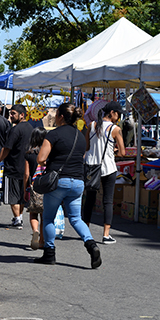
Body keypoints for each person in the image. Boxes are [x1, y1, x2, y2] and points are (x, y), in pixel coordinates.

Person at [35, 103, 101, 268]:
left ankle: (49, 253)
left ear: (61, 116)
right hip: (78, 181)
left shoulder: (54, 134)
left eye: (56, 114)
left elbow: (41, 159)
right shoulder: (80, 135)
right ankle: (91, 244)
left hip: (59, 181)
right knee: (76, 218)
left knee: (49, 217)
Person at [83, 101, 126, 244]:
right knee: (107, 200)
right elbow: (123, 152)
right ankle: (106, 234)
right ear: (112, 113)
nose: (118, 117)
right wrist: (112, 151)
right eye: (118, 114)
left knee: (89, 199)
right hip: (108, 167)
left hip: (91, 166)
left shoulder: (92, 125)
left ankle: (85, 231)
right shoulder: (115, 129)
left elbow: (87, 146)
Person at [0, 104, 33, 228]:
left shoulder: (15, 129)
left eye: (13, 113)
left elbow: (6, 148)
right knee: (22, 195)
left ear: (22, 115)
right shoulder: (31, 128)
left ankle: (17, 219)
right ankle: (18, 218)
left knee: (13, 196)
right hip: (26, 167)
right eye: (10, 113)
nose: (11, 116)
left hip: (13, 167)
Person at [24, 127, 48, 249]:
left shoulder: (29, 154)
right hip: (46, 187)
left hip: (33, 187)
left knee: (33, 213)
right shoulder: (49, 154)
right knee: (45, 216)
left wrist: (25, 189)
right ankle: (42, 241)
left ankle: (35, 231)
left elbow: (26, 174)